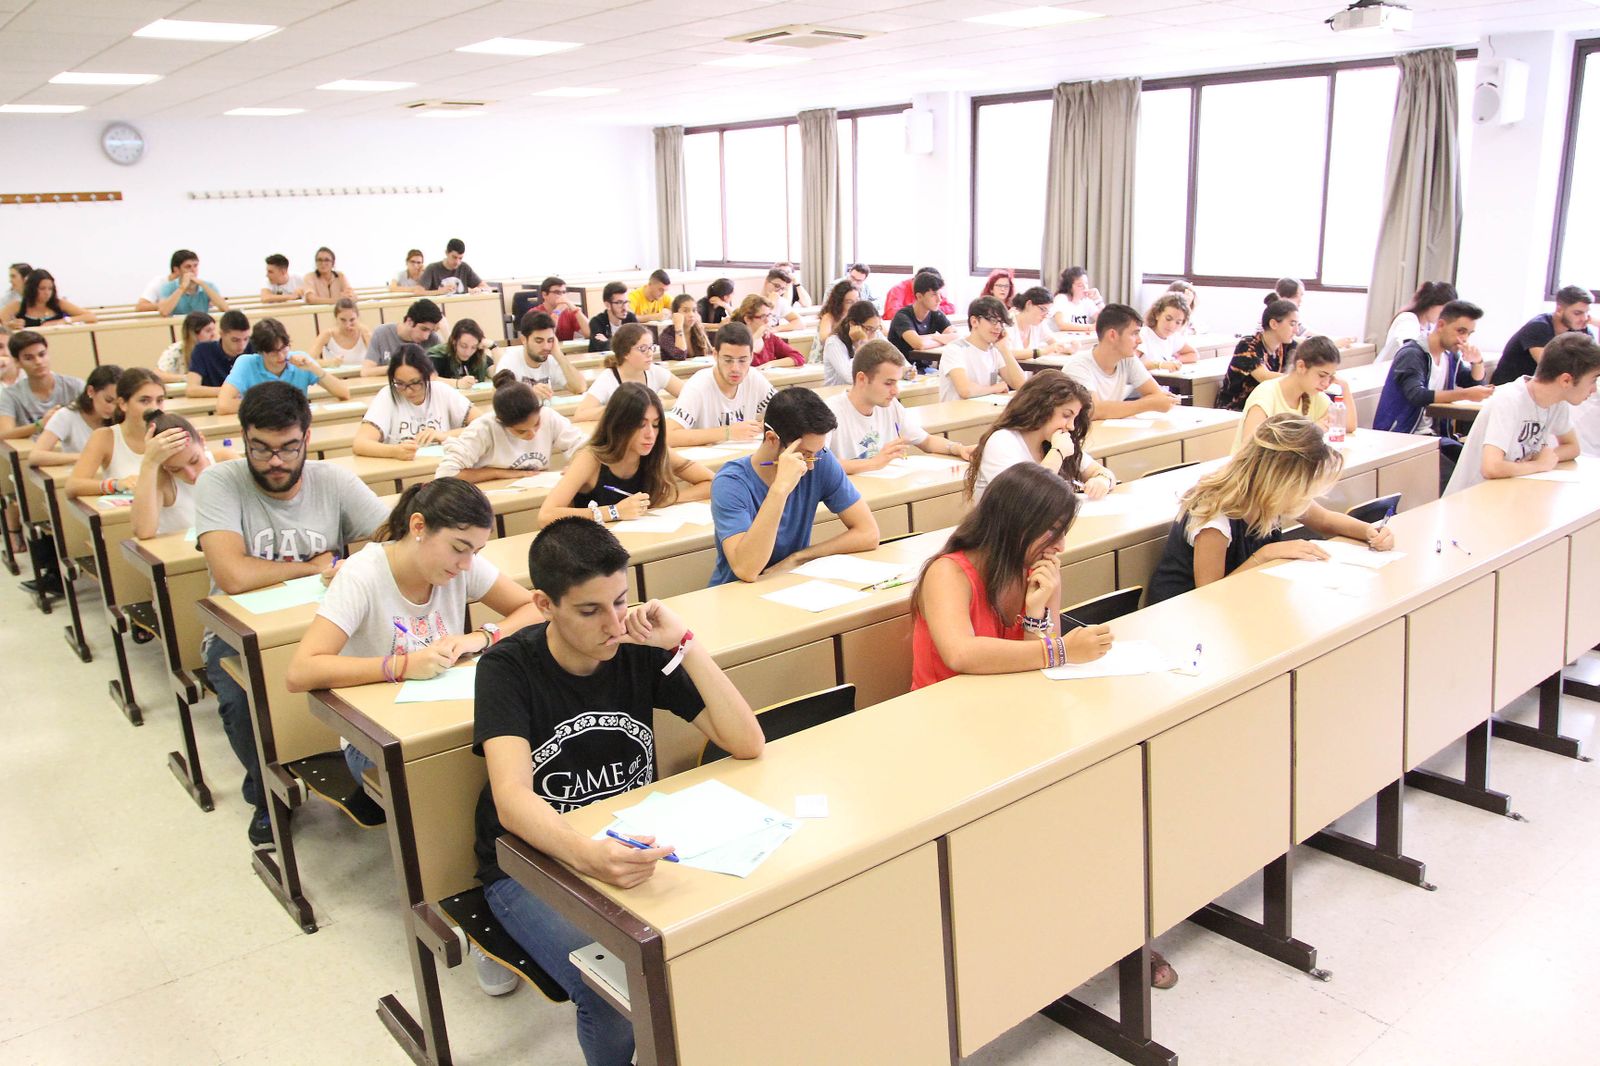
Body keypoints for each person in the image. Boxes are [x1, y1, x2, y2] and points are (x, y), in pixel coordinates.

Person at [473, 516, 763, 1062]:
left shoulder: (634, 645)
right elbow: (512, 800)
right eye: (590, 610)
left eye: (621, 601)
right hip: (529, 864)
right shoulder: (506, 668)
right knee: (612, 994)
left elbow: (746, 741)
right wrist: (587, 857)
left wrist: (684, 643)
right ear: (543, 605)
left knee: (730, 936)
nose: (613, 623)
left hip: (626, 844)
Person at [285, 478, 542, 847]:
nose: (467, 564)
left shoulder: (461, 565)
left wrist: (480, 637)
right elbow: (301, 671)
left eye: (476, 551)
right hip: (373, 738)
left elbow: (533, 607)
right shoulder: (362, 575)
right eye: (459, 549)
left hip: (448, 713)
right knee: (464, 782)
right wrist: (402, 666)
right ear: (418, 527)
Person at [195, 381, 390, 845]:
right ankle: (264, 793)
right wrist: (315, 566)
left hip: (331, 624)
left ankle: (363, 768)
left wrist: (353, 563)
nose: (275, 462)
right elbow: (233, 573)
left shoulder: (333, 480)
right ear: (244, 439)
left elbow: (389, 539)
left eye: (288, 448)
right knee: (242, 701)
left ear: (307, 437)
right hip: (239, 633)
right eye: (260, 449)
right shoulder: (220, 482)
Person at [1148, 414, 1393, 604]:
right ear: (1279, 477)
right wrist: (1266, 554)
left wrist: (1370, 532)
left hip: (1239, 602)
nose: (1302, 495)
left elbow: (1326, 521)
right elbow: (1208, 594)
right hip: (1182, 615)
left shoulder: (1271, 495)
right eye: (1300, 486)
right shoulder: (1215, 512)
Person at [911, 464, 1113, 688]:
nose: (1060, 546)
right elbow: (960, 653)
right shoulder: (947, 573)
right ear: (1013, 523)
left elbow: (1039, 670)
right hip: (945, 708)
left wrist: (1035, 615)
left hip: (1008, 699)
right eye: (1052, 530)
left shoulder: (1039, 570)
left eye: (1064, 532)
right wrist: (1061, 650)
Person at [709, 387, 879, 585]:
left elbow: (869, 533)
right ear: (772, 439)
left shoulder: (820, 458)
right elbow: (746, 569)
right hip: (736, 593)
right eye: (804, 454)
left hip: (788, 583)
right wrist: (779, 489)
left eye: (817, 452)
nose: (811, 464)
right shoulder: (730, 483)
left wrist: (798, 558)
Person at [1445, 331, 1600, 496]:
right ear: (1566, 380)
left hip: (1509, 493)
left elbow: (1572, 447)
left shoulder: (1558, 401)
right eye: (1593, 380)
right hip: (1472, 499)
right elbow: (1491, 468)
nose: (1594, 389)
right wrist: (1539, 465)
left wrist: (1544, 457)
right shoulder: (1508, 399)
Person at [539, 383, 713, 527]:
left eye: (655, 424)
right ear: (619, 424)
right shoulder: (590, 458)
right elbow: (546, 515)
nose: (650, 434)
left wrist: (671, 498)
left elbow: (713, 482)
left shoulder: (657, 451)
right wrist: (614, 511)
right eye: (641, 424)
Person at [1372, 300, 1493, 474]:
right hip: (1404, 436)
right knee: (1459, 473)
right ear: (1441, 325)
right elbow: (1417, 395)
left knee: (1474, 463)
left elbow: (1473, 383)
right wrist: (1465, 394)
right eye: (1461, 331)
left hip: (1433, 436)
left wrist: (1477, 362)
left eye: (1469, 333)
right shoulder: (1413, 353)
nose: (1464, 339)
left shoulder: (1449, 356)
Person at [825, 340, 973, 473]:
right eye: (888, 383)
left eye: (897, 382)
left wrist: (958, 448)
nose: (896, 391)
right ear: (862, 379)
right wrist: (873, 463)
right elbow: (818, 464)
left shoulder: (890, 406)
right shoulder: (830, 412)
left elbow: (926, 441)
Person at [967, 370, 1115, 502]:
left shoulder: (1052, 441)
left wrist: (1102, 480)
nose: (1071, 426)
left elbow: (1100, 471)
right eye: (1066, 415)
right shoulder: (1002, 441)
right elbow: (1026, 499)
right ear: (1041, 408)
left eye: (1074, 419)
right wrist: (1058, 453)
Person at [436, 372, 585, 482]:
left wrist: (576, 464)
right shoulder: (484, 428)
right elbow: (445, 474)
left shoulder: (548, 416)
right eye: (521, 431)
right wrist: (497, 473)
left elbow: (584, 447)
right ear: (501, 422)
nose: (532, 434)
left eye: (536, 424)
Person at [353, 344, 477, 458]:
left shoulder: (441, 391)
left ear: (428, 376)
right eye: (400, 383)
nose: (408, 391)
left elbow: (484, 425)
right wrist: (394, 451)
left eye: (415, 383)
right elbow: (360, 443)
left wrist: (443, 435)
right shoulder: (388, 395)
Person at [1062, 303, 1180, 419]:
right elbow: (1094, 410)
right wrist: (1149, 404)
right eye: (1134, 334)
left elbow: (1156, 394)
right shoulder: (1078, 366)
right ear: (1112, 335)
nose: (1140, 341)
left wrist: (1153, 401)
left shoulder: (1128, 360)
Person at [666, 323, 776, 446]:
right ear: (715, 355)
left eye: (742, 360)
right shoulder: (698, 385)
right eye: (728, 360)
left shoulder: (754, 377)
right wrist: (728, 433)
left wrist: (766, 425)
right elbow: (668, 436)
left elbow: (786, 412)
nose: (735, 368)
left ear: (751, 357)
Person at [1235, 336, 1354, 450]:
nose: (1326, 383)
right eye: (1322, 375)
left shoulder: (1313, 395)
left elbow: (1348, 425)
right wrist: (1309, 433)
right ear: (1301, 366)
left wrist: (1345, 387)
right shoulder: (1266, 394)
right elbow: (1251, 448)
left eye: (1331, 376)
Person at [216, 318, 351, 416]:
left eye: (284, 348)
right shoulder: (246, 363)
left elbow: (344, 393)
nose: (281, 356)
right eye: (273, 352)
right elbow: (223, 405)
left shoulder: (301, 360)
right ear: (261, 352)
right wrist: (276, 406)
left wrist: (314, 368)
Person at [65, 368, 165, 498]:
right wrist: (116, 485)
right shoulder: (105, 437)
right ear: (123, 404)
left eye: (160, 400)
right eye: (144, 401)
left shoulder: (172, 430)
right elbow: (73, 486)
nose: (154, 408)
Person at [131, 411, 225, 539]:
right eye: (175, 469)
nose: (191, 475)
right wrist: (149, 462)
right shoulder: (162, 481)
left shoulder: (225, 461)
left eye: (194, 460)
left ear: (202, 441)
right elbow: (143, 531)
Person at [574, 323, 683, 421]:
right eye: (643, 348)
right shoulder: (608, 378)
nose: (650, 353)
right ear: (625, 353)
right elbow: (580, 414)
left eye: (651, 347)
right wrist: (627, 408)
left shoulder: (655, 371)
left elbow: (689, 395)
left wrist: (661, 405)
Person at [1491, 285, 1593, 386]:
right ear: (1559, 310)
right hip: (1510, 390)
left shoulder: (1579, 328)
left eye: (1587, 313)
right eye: (1577, 313)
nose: (1584, 318)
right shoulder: (1539, 327)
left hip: (1541, 391)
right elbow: (1552, 367)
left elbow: (1594, 363)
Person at [28, 364, 120, 467]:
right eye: (108, 400)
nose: (113, 408)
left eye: (118, 403)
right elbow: (35, 456)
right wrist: (86, 457)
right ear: (91, 391)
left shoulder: (122, 416)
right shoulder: (67, 415)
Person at [1216, 299, 1300, 412]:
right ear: (1274, 324)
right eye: (1292, 324)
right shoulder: (1248, 345)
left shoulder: (1288, 346)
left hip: (1267, 408)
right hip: (1235, 410)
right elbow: (1265, 377)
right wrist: (1300, 379)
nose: (1297, 330)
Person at [0, 330, 83, 440]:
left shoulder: (75, 386)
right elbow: (4, 433)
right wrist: (41, 424)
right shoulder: (10, 395)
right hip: (33, 453)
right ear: (17, 362)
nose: (38, 361)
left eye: (42, 354)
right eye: (29, 358)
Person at [939, 296, 1026, 402]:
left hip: (983, 412)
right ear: (974, 321)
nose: (998, 327)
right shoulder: (955, 349)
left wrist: (1004, 349)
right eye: (993, 321)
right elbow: (965, 390)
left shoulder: (995, 350)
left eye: (1001, 322)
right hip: (956, 415)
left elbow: (1022, 386)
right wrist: (995, 388)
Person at [495, 310, 585, 398]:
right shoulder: (509, 360)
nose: (546, 347)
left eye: (550, 340)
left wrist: (559, 354)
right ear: (524, 340)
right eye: (539, 341)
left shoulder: (551, 359)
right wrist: (528, 392)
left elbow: (580, 388)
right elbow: (499, 394)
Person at [889, 271, 959, 369]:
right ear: (919, 296)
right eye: (934, 294)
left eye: (939, 294)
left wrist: (934, 337)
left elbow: (956, 337)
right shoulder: (902, 316)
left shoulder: (935, 313)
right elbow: (919, 344)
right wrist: (942, 338)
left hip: (925, 370)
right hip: (902, 371)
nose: (939, 299)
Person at [1375, 281, 1457, 363]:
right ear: (1430, 304)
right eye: (1444, 310)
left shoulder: (1430, 326)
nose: (1445, 316)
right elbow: (1410, 347)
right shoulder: (1407, 319)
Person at [363, 298, 444, 376]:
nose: (426, 337)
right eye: (423, 329)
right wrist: (402, 368)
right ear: (409, 321)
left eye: (431, 331)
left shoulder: (433, 339)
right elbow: (366, 371)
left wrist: (445, 331)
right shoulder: (382, 333)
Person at [1269, 277, 1354, 347]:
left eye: (1302, 296)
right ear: (1284, 297)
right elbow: (1293, 340)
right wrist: (1331, 344)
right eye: (1298, 296)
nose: (1301, 300)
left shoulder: (1291, 315)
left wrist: (1337, 339)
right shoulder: (1274, 313)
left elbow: (1307, 333)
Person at [186, 310, 253, 398]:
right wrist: (230, 391)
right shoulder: (202, 350)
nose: (242, 345)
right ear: (222, 334)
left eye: (246, 339)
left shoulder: (254, 348)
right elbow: (191, 390)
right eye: (235, 340)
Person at [2, 268, 97, 327]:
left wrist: (63, 321)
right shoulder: (18, 305)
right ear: (32, 289)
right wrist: (9, 326)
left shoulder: (59, 303)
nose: (47, 293)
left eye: (50, 289)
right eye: (42, 288)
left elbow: (91, 316)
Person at [821, 300, 883, 387]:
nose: (873, 334)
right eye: (869, 328)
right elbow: (850, 378)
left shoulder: (876, 333)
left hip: (867, 391)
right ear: (852, 324)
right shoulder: (834, 342)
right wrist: (862, 345)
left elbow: (897, 360)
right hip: (839, 394)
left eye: (876, 328)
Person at [1001, 287, 1072, 362]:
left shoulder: (1038, 323)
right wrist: (1043, 351)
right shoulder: (1008, 322)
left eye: (1047, 312)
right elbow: (1008, 353)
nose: (1044, 316)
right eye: (1042, 309)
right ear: (1028, 304)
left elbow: (1054, 343)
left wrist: (1068, 348)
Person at [735, 294, 805, 369]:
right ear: (748, 319)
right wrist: (755, 337)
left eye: (769, 315)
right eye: (763, 316)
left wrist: (770, 364)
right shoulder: (734, 339)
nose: (767, 320)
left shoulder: (769, 337)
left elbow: (798, 358)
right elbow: (738, 362)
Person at [156, 251, 228, 317]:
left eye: (195, 266)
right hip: (177, 327)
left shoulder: (208, 285)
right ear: (177, 270)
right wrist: (182, 288)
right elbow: (164, 312)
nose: (193, 270)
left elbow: (225, 309)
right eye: (188, 267)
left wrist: (203, 285)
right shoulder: (167, 287)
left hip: (202, 326)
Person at [1139, 294, 1198, 369]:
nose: (1172, 326)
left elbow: (1194, 354)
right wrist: (1160, 365)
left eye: (1178, 322)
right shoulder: (1143, 335)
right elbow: (1131, 364)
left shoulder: (1173, 337)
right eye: (1168, 319)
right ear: (1157, 314)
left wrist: (1175, 361)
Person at [428, 318, 492, 387]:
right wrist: (457, 383)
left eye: (473, 347)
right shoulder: (439, 354)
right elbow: (428, 378)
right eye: (463, 346)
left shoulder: (478, 355)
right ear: (453, 341)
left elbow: (497, 373)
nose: (468, 352)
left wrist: (494, 347)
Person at [155, 311, 215, 383]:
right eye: (208, 331)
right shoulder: (176, 350)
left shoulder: (217, 348)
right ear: (193, 334)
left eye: (214, 329)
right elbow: (157, 374)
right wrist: (187, 378)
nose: (213, 334)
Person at [311, 298, 371, 368]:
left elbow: (378, 358)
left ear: (357, 318)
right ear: (336, 318)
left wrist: (367, 335)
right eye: (343, 320)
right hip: (335, 377)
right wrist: (329, 362)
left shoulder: (364, 332)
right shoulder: (327, 335)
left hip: (362, 376)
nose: (348, 325)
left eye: (352, 320)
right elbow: (309, 360)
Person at [881, 266, 955, 321]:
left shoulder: (933, 289)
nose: (939, 299)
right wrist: (922, 311)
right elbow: (892, 315)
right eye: (933, 294)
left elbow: (951, 307)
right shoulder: (898, 290)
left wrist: (929, 310)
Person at [420, 238, 490, 293]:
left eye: (460, 258)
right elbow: (419, 291)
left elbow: (485, 286)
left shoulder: (464, 267)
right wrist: (439, 292)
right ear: (446, 253)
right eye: (454, 257)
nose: (457, 262)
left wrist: (478, 290)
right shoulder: (432, 268)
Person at [812, 280, 858, 363]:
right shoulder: (828, 317)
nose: (854, 305)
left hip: (846, 357)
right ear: (839, 302)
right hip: (825, 359)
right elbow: (824, 339)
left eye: (856, 301)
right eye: (849, 302)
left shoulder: (855, 316)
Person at [1048, 267, 1101, 334]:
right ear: (1070, 287)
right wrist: (1090, 327)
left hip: (1082, 339)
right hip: (1063, 340)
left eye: (1086, 283)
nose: (1085, 287)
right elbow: (1061, 325)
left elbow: (1105, 321)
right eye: (1080, 285)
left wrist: (1098, 300)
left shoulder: (1087, 301)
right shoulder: (1061, 299)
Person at [658, 294, 712, 361]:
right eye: (685, 311)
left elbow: (708, 354)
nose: (691, 315)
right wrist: (678, 327)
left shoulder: (698, 329)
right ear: (675, 314)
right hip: (676, 371)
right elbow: (680, 355)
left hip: (696, 370)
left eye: (694, 310)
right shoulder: (666, 335)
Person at [587, 281, 637, 352]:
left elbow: (639, 343)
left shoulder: (631, 318)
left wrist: (608, 341)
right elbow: (601, 347)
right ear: (608, 305)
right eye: (619, 303)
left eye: (626, 302)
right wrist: (626, 343)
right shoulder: (597, 322)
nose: (625, 308)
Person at [538, 276, 589, 341]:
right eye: (557, 292)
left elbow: (590, 334)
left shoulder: (569, 312)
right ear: (544, 295)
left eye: (564, 292)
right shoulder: (535, 313)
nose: (562, 296)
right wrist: (557, 311)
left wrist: (575, 309)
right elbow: (547, 337)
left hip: (566, 350)